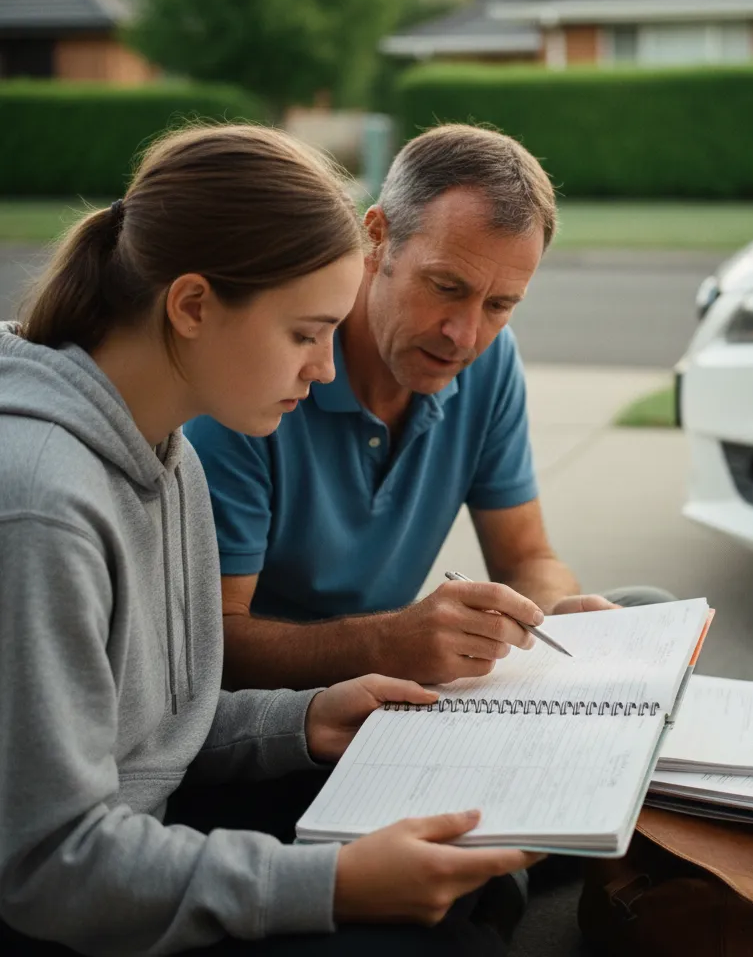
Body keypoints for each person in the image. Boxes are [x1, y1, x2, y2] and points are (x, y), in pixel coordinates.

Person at [0, 124, 536, 957]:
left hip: (143, 851)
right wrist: (334, 882)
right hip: (74, 913)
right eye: (303, 334)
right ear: (190, 306)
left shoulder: (165, 453)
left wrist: (307, 719)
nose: (325, 368)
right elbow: (46, 864)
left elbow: (153, 729)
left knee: (467, 892)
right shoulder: (43, 503)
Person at [186, 124, 674, 691]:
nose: (464, 336)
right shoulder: (270, 366)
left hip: (394, 679)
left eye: (498, 305)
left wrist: (550, 615)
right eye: (446, 287)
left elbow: (525, 557)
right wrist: (387, 644)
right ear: (377, 239)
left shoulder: (489, 363)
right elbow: (214, 646)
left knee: (646, 607)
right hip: (280, 716)